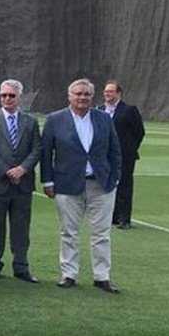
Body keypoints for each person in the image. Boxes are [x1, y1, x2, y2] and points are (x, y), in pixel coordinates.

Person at [41, 78, 122, 293]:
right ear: (69, 96)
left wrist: (115, 178)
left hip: (101, 185)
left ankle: (102, 276)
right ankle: (69, 274)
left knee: (101, 234)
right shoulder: (55, 120)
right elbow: (46, 153)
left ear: (91, 96)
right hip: (67, 184)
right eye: (78, 94)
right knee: (69, 233)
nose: (82, 97)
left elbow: (115, 150)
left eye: (86, 94)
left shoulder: (103, 119)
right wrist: (47, 181)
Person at [0, 79, 42, 283]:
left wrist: (22, 169)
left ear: (20, 97)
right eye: (3, 95)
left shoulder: (30, 122)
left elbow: (36, 149)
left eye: (11, 95)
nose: (7, 99)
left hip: (22, 185)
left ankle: (21, 266)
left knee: (21, 228)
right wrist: (7, 171)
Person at [100, 81, 145, 229]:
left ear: (119, 93)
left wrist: (129, 148)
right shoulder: (99, 110)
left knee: (124, 185)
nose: (107, 94)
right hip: (104, 155)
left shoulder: (129, 110)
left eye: (111, 91)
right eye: (106, 91)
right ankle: (112, 216)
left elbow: (139, 131)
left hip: (124, 155)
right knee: (106, 185)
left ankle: (124, 219)